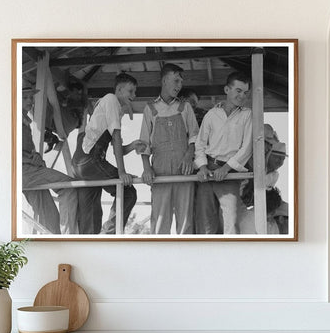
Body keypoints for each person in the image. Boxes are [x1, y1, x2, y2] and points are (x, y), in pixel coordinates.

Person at [72, 73, 146, 234]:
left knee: (91, 212)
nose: (134, 95)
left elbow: (117, 147)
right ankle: (110, 234)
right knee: (128, 191)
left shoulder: (113, 107)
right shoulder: (111, 99)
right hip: (90, 160)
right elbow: (116, 137)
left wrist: (133, 146)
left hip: (80, 163)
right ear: (119, 89)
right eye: (131, 91)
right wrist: (121, 172)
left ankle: (91, 244)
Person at [140, 63, 199, 234]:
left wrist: (189, 155)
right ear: (164, 80)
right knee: (159, 221)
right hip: (159, 171)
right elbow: (144, 143)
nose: (179, 86)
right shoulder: (150, 108)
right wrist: (146, 169)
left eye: (180, 82)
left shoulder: (185, 107)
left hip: (184, 169)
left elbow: (195, 136)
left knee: (186, 221)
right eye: (175, 81)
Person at [194, 71, 252, 234]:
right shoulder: (211, 114)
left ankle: (230, 258)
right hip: (208, 171)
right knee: (205, 223)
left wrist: (226, 169)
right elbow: (200, 143)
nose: (242, 96)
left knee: (231, 221)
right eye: (238, 91)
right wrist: (202, 167)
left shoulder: (247, 115)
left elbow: (247, 147)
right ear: (227, 90)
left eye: (245, 93)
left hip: (230, 173)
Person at [22, 87, 79, 234]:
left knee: (51, 220)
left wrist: (35, 156)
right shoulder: (10, 119)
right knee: (69, 186)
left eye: (31, 98)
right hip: (24, 172)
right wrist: (29, 158)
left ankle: (55, 243)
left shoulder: (25, 122)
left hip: (30, 172)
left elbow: (25, 150)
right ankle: (69, 238)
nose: (30, 101)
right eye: (24, 98)